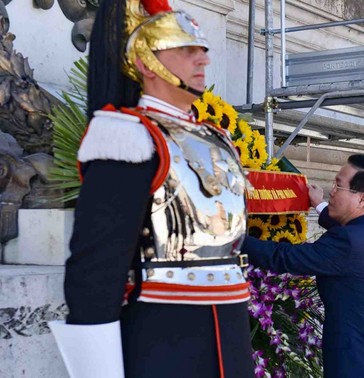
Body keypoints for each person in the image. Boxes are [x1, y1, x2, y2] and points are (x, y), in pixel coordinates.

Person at [49, 0, 253, 377]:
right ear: (146, 62)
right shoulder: (127, 135)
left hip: (230, 335)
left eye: (203, 50)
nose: (202, 60)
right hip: (165, 340)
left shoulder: (216, 137)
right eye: (186, 49)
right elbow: (96, 271)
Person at [241, 154, 364, 378]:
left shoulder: (349, 242)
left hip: (360, 361)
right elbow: (348, 227)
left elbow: (283, 257)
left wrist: (233, 237)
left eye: (339, 186)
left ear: (362, 199)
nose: (332, 190)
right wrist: (319, 205)